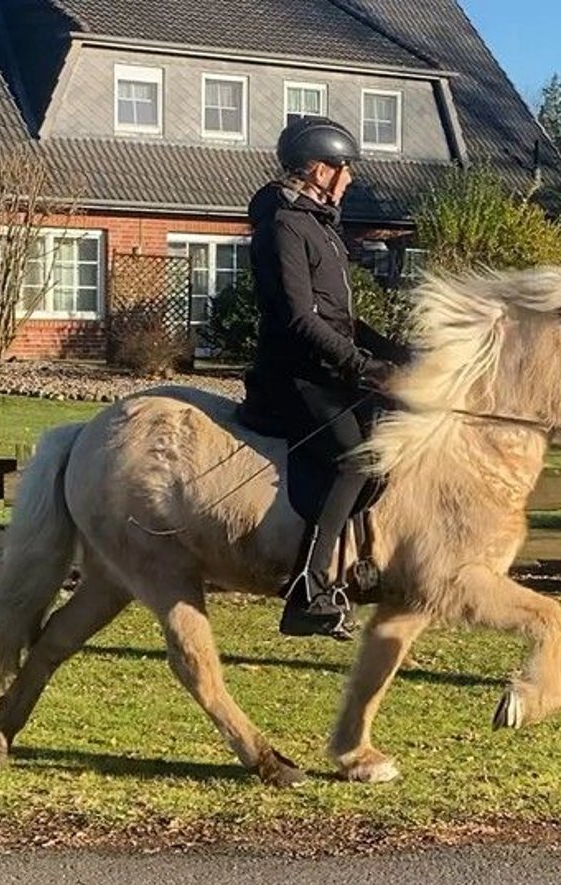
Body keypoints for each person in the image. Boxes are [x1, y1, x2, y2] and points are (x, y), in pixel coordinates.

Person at [244, 115, 408, 641]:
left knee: (386, 447)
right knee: (351, 461)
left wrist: (396, 352)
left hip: (329, 370)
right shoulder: (284, 226)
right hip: (294, 375)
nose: (350, 178)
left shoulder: (321, 226)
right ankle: (305, 594)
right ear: (318, 169)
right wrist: (364, 366)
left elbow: (341, 319)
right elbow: (300, 319)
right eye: (344, 167)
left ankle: (356, 569)